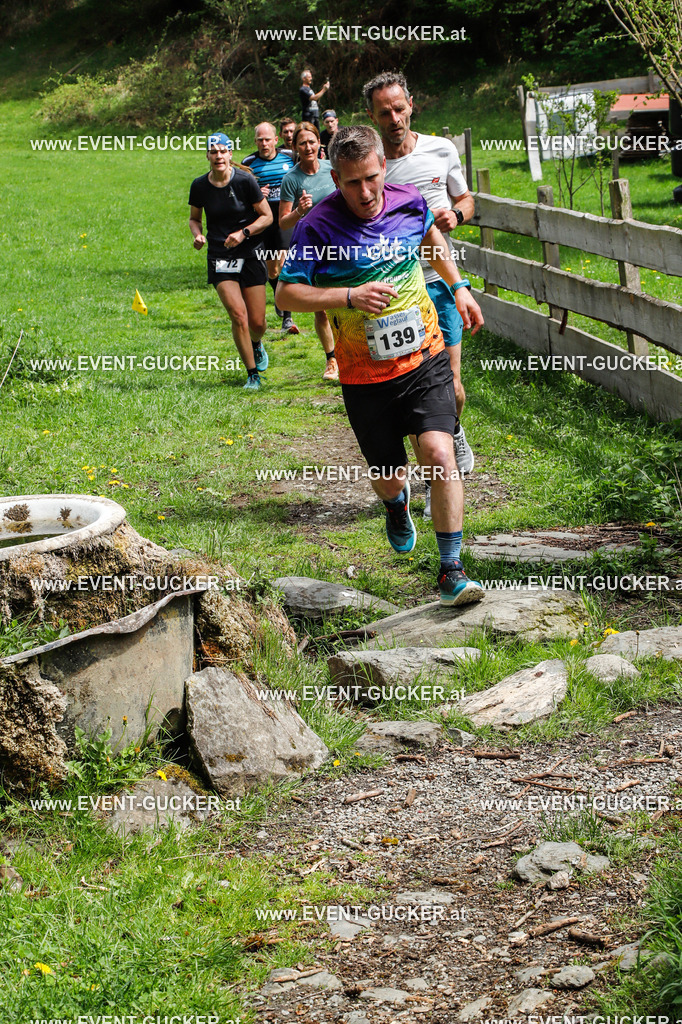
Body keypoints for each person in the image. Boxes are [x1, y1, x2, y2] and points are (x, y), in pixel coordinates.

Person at [276, 125, 485, 606]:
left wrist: (458, 287)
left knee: (439, 453)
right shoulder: (317, 227)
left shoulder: (409, 200)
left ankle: (452, 569)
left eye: (372, 178)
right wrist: (349, 296)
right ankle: (396, 503)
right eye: (352, 183)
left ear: (383, 168)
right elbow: (286, 293)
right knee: (390, 474)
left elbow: (430, 238)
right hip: (364, 375)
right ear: (335, 178)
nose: (366, 192)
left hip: (425, 356)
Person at [364, 69, 476, 520]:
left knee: (453, 388)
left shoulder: (441, 149)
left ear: (411, 105)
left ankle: (454, 430)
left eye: (398, 108)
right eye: (383, 113)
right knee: (417, 394)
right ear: (372, 116)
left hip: (440, 282)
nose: (393, 119)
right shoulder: (372, 165)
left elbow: (467, 199)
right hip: (400, 292)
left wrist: (457, 217)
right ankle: (435, 480)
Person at [189, 132, 273, 391]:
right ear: (207, 155)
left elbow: (267, 217)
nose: (218, 156)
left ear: (230, 154)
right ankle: (252, 374)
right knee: (238, 315)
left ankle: (256, 343)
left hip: (249, 252)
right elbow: (194, 219)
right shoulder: (199, 186)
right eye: (213, 151)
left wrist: (244, 233)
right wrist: (198, 235)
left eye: (222, 151)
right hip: (220, 255)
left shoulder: (245, 181)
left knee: (257, 322)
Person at [279, 122, 338, 380]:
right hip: (311, 247)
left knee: (349, 300)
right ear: (295, 147)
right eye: (302, 143)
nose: (308, 147)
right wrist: (299, 211)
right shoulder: (291, 179)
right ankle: (332, 360)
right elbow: (283, 222)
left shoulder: (332, 169)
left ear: (319, 143)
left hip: (340, 241)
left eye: (311, 141)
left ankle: (355, 353)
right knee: (321, 306)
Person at [242, 122, 299, 334]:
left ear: (276, 140)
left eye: (268, 139)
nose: (264, 144)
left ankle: (287, 317)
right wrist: (257, 195)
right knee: (272, 270)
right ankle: (278, 296)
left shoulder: (290, 157)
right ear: (255, 141)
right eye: (260, 140)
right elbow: (243, 195)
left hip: (285, 217)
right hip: (263, 220)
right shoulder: (248, 163)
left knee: (283, 263)